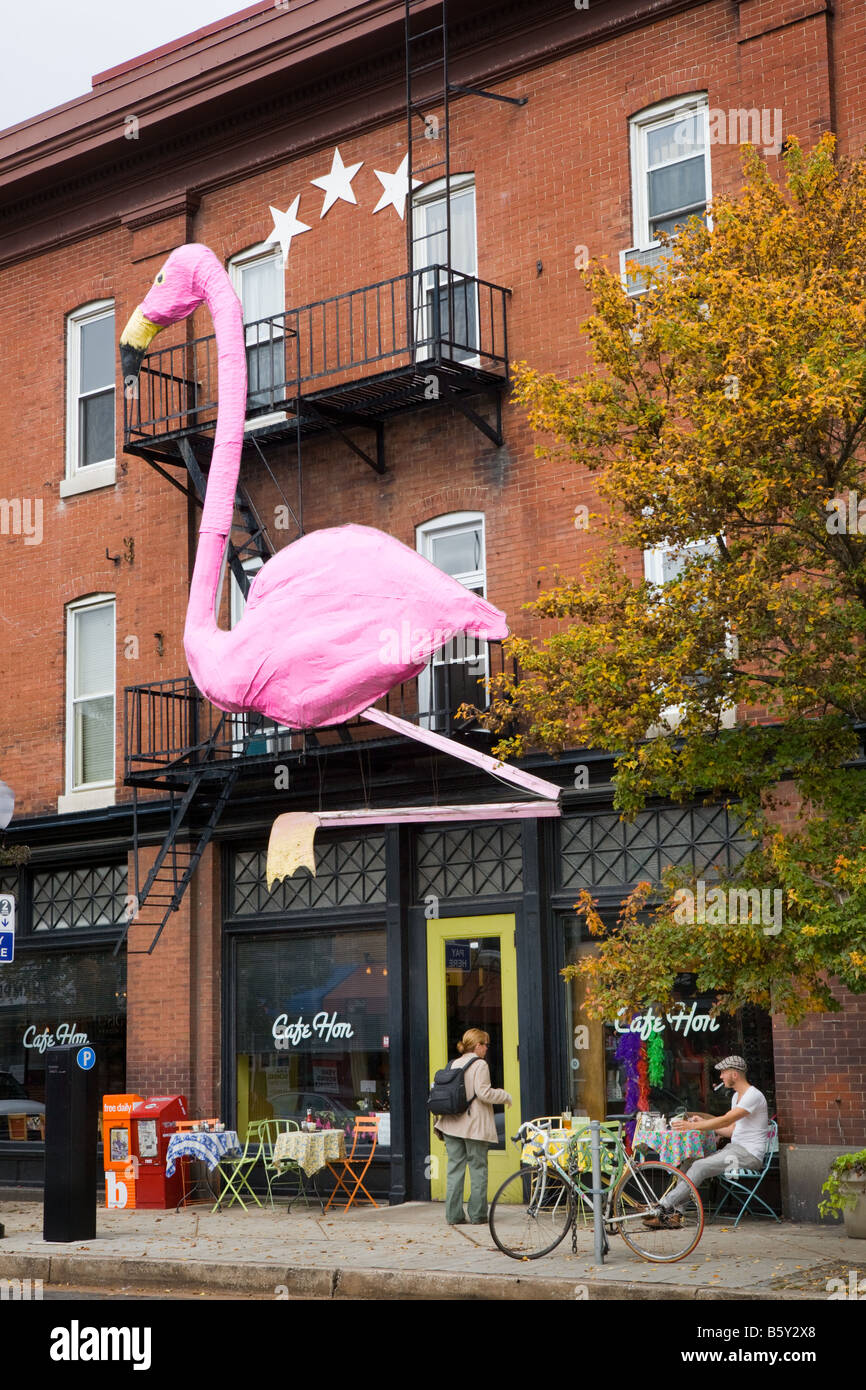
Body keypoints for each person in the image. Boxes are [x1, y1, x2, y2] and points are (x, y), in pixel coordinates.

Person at [643, 1054, 769, 1228]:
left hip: (749, 1155)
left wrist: (692, 1126)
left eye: (723, 1072)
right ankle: (675, 1215)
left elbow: (726, 1120)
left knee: (700, 1167)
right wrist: (703, 1124)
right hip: (734, 1149)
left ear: (735, 1074)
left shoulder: (753, 1096)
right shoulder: (736, 1097)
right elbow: (731, 1130)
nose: (720, 1076)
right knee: (690, 1160)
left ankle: (663, 1205)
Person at [433, 1027, 512, 1226]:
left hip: (451, 1124)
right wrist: (505, 1096)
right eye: (485, 1044)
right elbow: (483, 1093)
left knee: (454, 1170)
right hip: (474, 1126)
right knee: (478, 1170)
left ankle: (453, 1216)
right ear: (478, 1045)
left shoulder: (453, 1063)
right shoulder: (480, 1065)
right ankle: (478, 1215)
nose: (487, 1048)